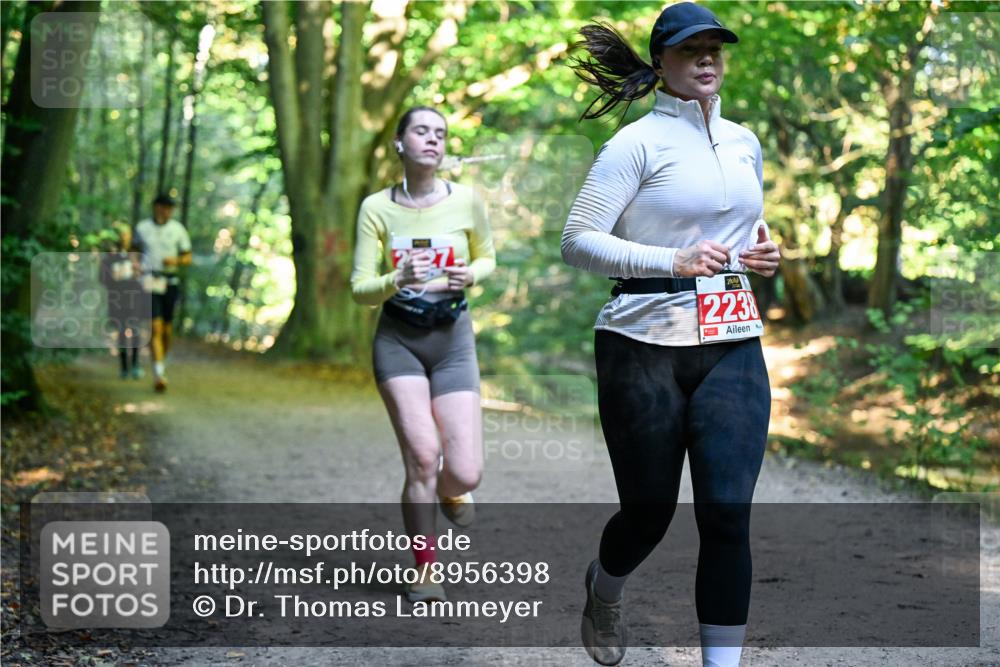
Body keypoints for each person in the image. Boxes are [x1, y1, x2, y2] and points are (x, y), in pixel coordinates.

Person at [562, 3, 781, 666]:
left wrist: (761, 253)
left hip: (731, 341)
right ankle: (605, 586)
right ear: (660, 62)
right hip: (641, 345)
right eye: (690, 49)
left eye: (715, 47)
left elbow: (741, 230)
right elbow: (578, 241)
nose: (707, 58)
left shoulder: (743, 142)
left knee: (726, 515)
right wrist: (672, 261)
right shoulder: (636, 144)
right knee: (649, 513)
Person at [350, 106, 496, 603]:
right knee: (422, 458)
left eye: (440, 133)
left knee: (466, 471)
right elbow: (360, 289)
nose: (432, 139)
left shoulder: (467, 201)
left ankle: (451, 489)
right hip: (399, 342)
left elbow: (488, 257)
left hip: (453, 339)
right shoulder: (376, 208)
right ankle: (425, 569)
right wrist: (397, 278)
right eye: (421, 131)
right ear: (400, 142)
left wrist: (471, 274)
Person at [133, 193, 192, 392]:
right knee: (155, 327)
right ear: (155, 207)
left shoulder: (178, 230)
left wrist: (175, 261)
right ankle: (158, 373)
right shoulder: (142, 228)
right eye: (163, 207)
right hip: (149, 281)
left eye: (169, 208)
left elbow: (187, 257)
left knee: (166, 329)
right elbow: (133, 252)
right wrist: (135, 266)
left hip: (170, 282)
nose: (166, 211)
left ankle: (161, 362)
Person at [98, 222, 145, 379]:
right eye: (120, 233)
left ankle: (136, 364)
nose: (124, 236)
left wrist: (138, 271)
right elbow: (102, 278)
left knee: (136, 330)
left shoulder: (137, 253)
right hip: (118, 299)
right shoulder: (110, 256)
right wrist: (114, 276)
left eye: (126, 232)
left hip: (135, 298)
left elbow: (145, 275)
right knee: (122, 332)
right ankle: (124, 367)